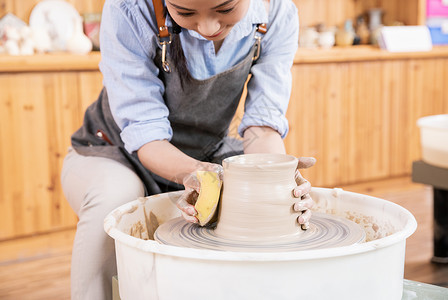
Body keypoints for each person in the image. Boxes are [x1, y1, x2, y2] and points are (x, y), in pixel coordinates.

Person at [61, 0, 315, 299]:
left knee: (262, 201)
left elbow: (262, 128)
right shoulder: (128, 7)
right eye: (184, 13)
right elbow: (147, 136)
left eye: (225, 9)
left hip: (205, 152)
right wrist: (197, 173)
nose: (208, 27)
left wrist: (277, 176)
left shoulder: (278, 13)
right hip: (112, 150)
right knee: (116, 198)